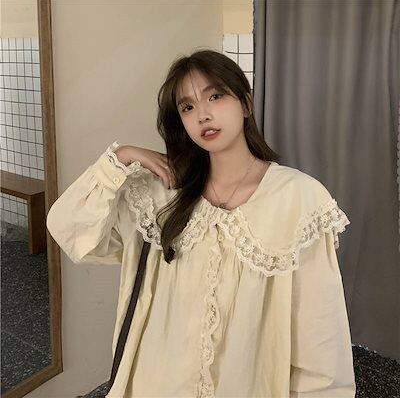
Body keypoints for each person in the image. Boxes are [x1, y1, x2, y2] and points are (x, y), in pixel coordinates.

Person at [46, 49, 356, 397]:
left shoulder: (299, 199)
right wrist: (120, 158)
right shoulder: (159, 195)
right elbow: (69, 228)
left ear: (246, 104)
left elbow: (319, 337)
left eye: (215, 96)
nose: (203, 115)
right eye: (188, 107)